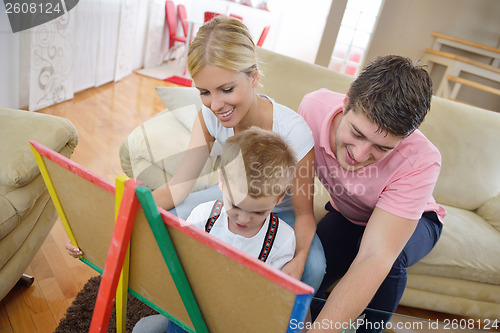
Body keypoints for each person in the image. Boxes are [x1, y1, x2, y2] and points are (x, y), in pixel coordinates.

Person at [67, 16, 325, 292]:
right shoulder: (209, 117)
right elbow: (177, 188)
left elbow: (304, 215)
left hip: (275, 211)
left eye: (227, 89)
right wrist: (105, 226)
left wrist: (298, 261)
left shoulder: (294, 131)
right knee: (164, 224)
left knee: (312, 268)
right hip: (232, 198)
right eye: (204, 92)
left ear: (253, 78)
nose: (216, 104)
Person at [298, 55, 446, 333]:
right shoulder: (313, 107)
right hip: (349, 215)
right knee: (310, 272)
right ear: (345, 103)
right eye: (357, 133)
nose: (360, 154)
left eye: (382, 148)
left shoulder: (423, 160)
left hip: (417, 222)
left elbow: (375, 256)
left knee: (390, 258)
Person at [133, 126, 298, 333]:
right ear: (221, 181)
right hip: (194, 310)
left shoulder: (282, 239)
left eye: (258, 213)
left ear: (280, 198)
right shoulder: (203, 216)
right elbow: (181, 263)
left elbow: (272, 301)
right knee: (144, 329)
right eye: (235, 206)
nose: (244, 219)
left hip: (239, 322)